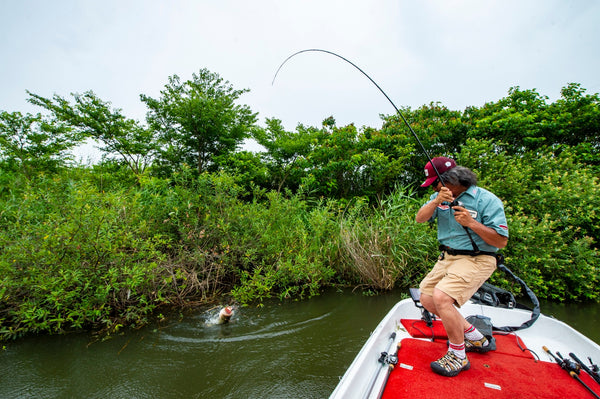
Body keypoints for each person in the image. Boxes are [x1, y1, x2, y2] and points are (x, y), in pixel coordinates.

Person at [415, 157, 509, 377]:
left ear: (450, 179)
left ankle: (458, 355)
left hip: (478, 257)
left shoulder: (487, 200)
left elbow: (501, 242)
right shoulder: (438, 197)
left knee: (442, 298)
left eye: (436, 183)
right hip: (448, 256)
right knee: (427, 298)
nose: (434, 188)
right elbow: (420, 218)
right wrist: (435, 200)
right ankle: (476, 338)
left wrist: (472, 223)